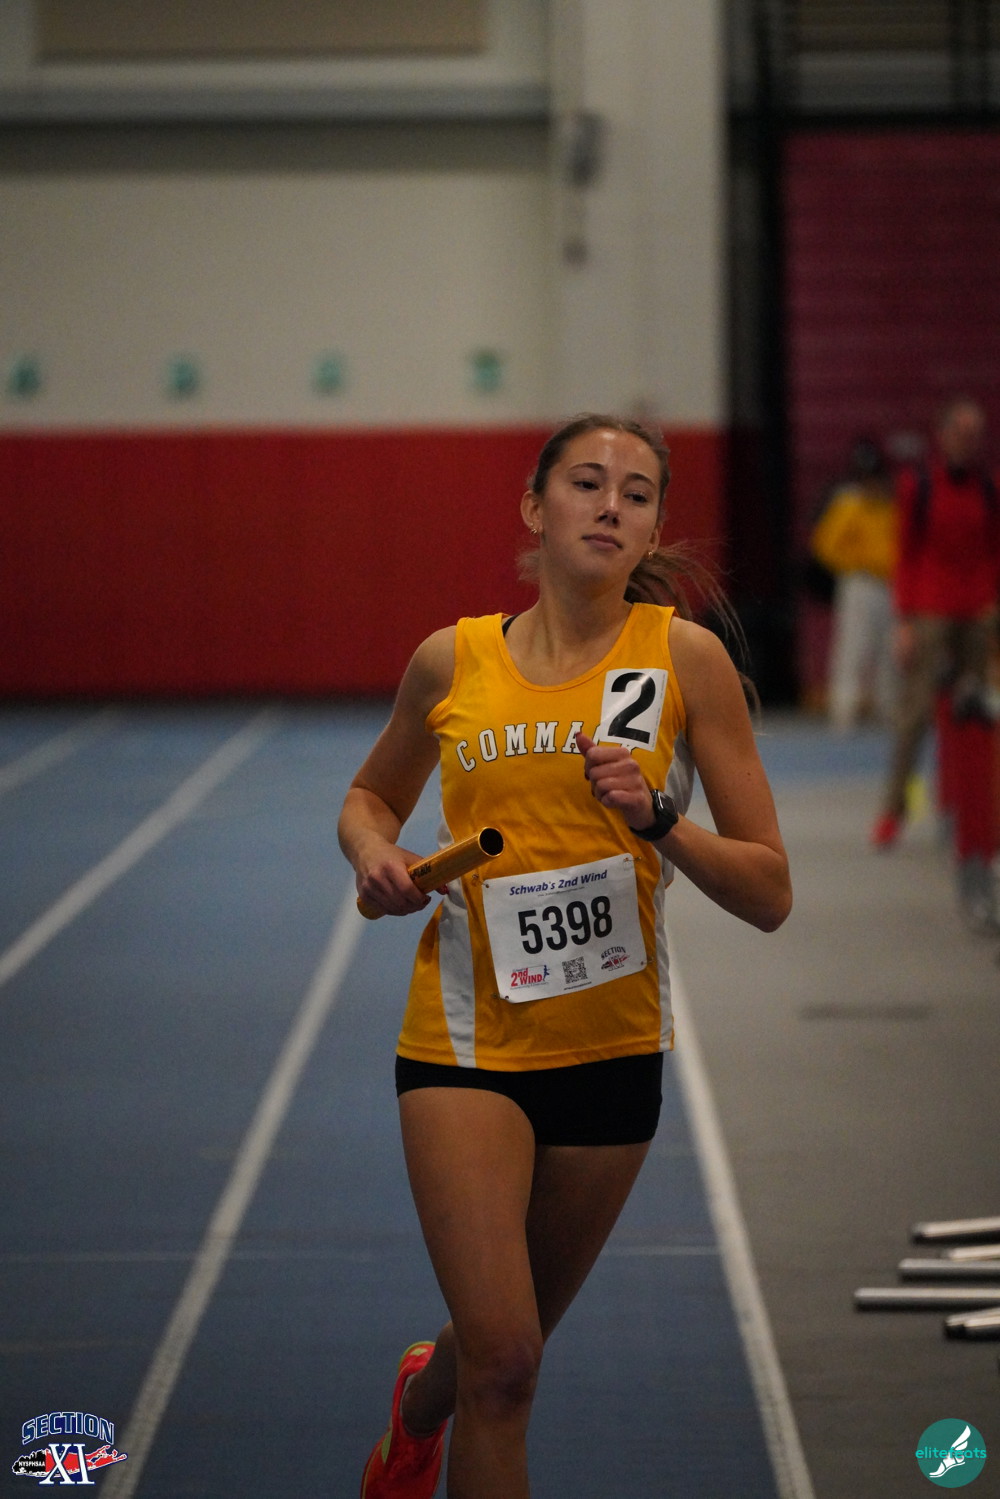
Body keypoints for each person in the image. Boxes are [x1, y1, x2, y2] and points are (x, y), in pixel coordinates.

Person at [338, 413, 792, 1499]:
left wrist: (660, 822)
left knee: (499, 1346)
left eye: (636, 494)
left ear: (652, 531)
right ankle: (439, 1408)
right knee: (509, 1364)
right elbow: (368, 797)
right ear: (534, 509)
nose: (610, 505)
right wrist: (375, 855)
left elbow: (770, 890)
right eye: (587, 482)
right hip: (464, 1042)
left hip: (611, 1047)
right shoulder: (452, 658)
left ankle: (419, 1401)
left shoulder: (684, 659)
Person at [871, 398, 1000, 849]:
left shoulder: (989, 489)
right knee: (915, 714)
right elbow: (904, 555)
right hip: (929, 610)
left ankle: (970, 808)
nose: (968, 441)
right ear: (942, 435)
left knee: (975, 713)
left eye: (974, 434)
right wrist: (904, 622)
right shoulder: (918, 486)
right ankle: (892, 812)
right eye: (960, 432)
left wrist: (990, 607)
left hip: (977, 614)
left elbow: (993, 551)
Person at [809, 437, 897, 732]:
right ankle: (843, 711)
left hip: (890, 584)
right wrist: (854, 563)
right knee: (852, 648)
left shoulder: (891, 504)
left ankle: (888, 708)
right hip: (859, 582)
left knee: (889, 651)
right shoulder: (848, 502)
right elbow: (824, 545)